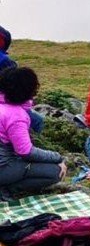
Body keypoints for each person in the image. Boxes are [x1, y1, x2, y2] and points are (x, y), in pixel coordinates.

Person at [0, 67, 66, 198]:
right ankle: (8, 190)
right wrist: (57, 157)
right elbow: (25, 152)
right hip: (3, 168)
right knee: (56, 172)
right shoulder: (15, 115)